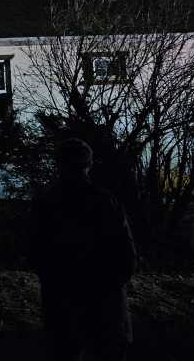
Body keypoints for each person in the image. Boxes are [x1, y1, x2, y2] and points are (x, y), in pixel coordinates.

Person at [30, 138, 137, 361]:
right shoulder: (106, 201)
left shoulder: (46, 203)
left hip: (62, 304)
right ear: (89, 164)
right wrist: (109, 286)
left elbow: (36, 254)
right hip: (106, 304)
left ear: (58, 164)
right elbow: (127, 256)